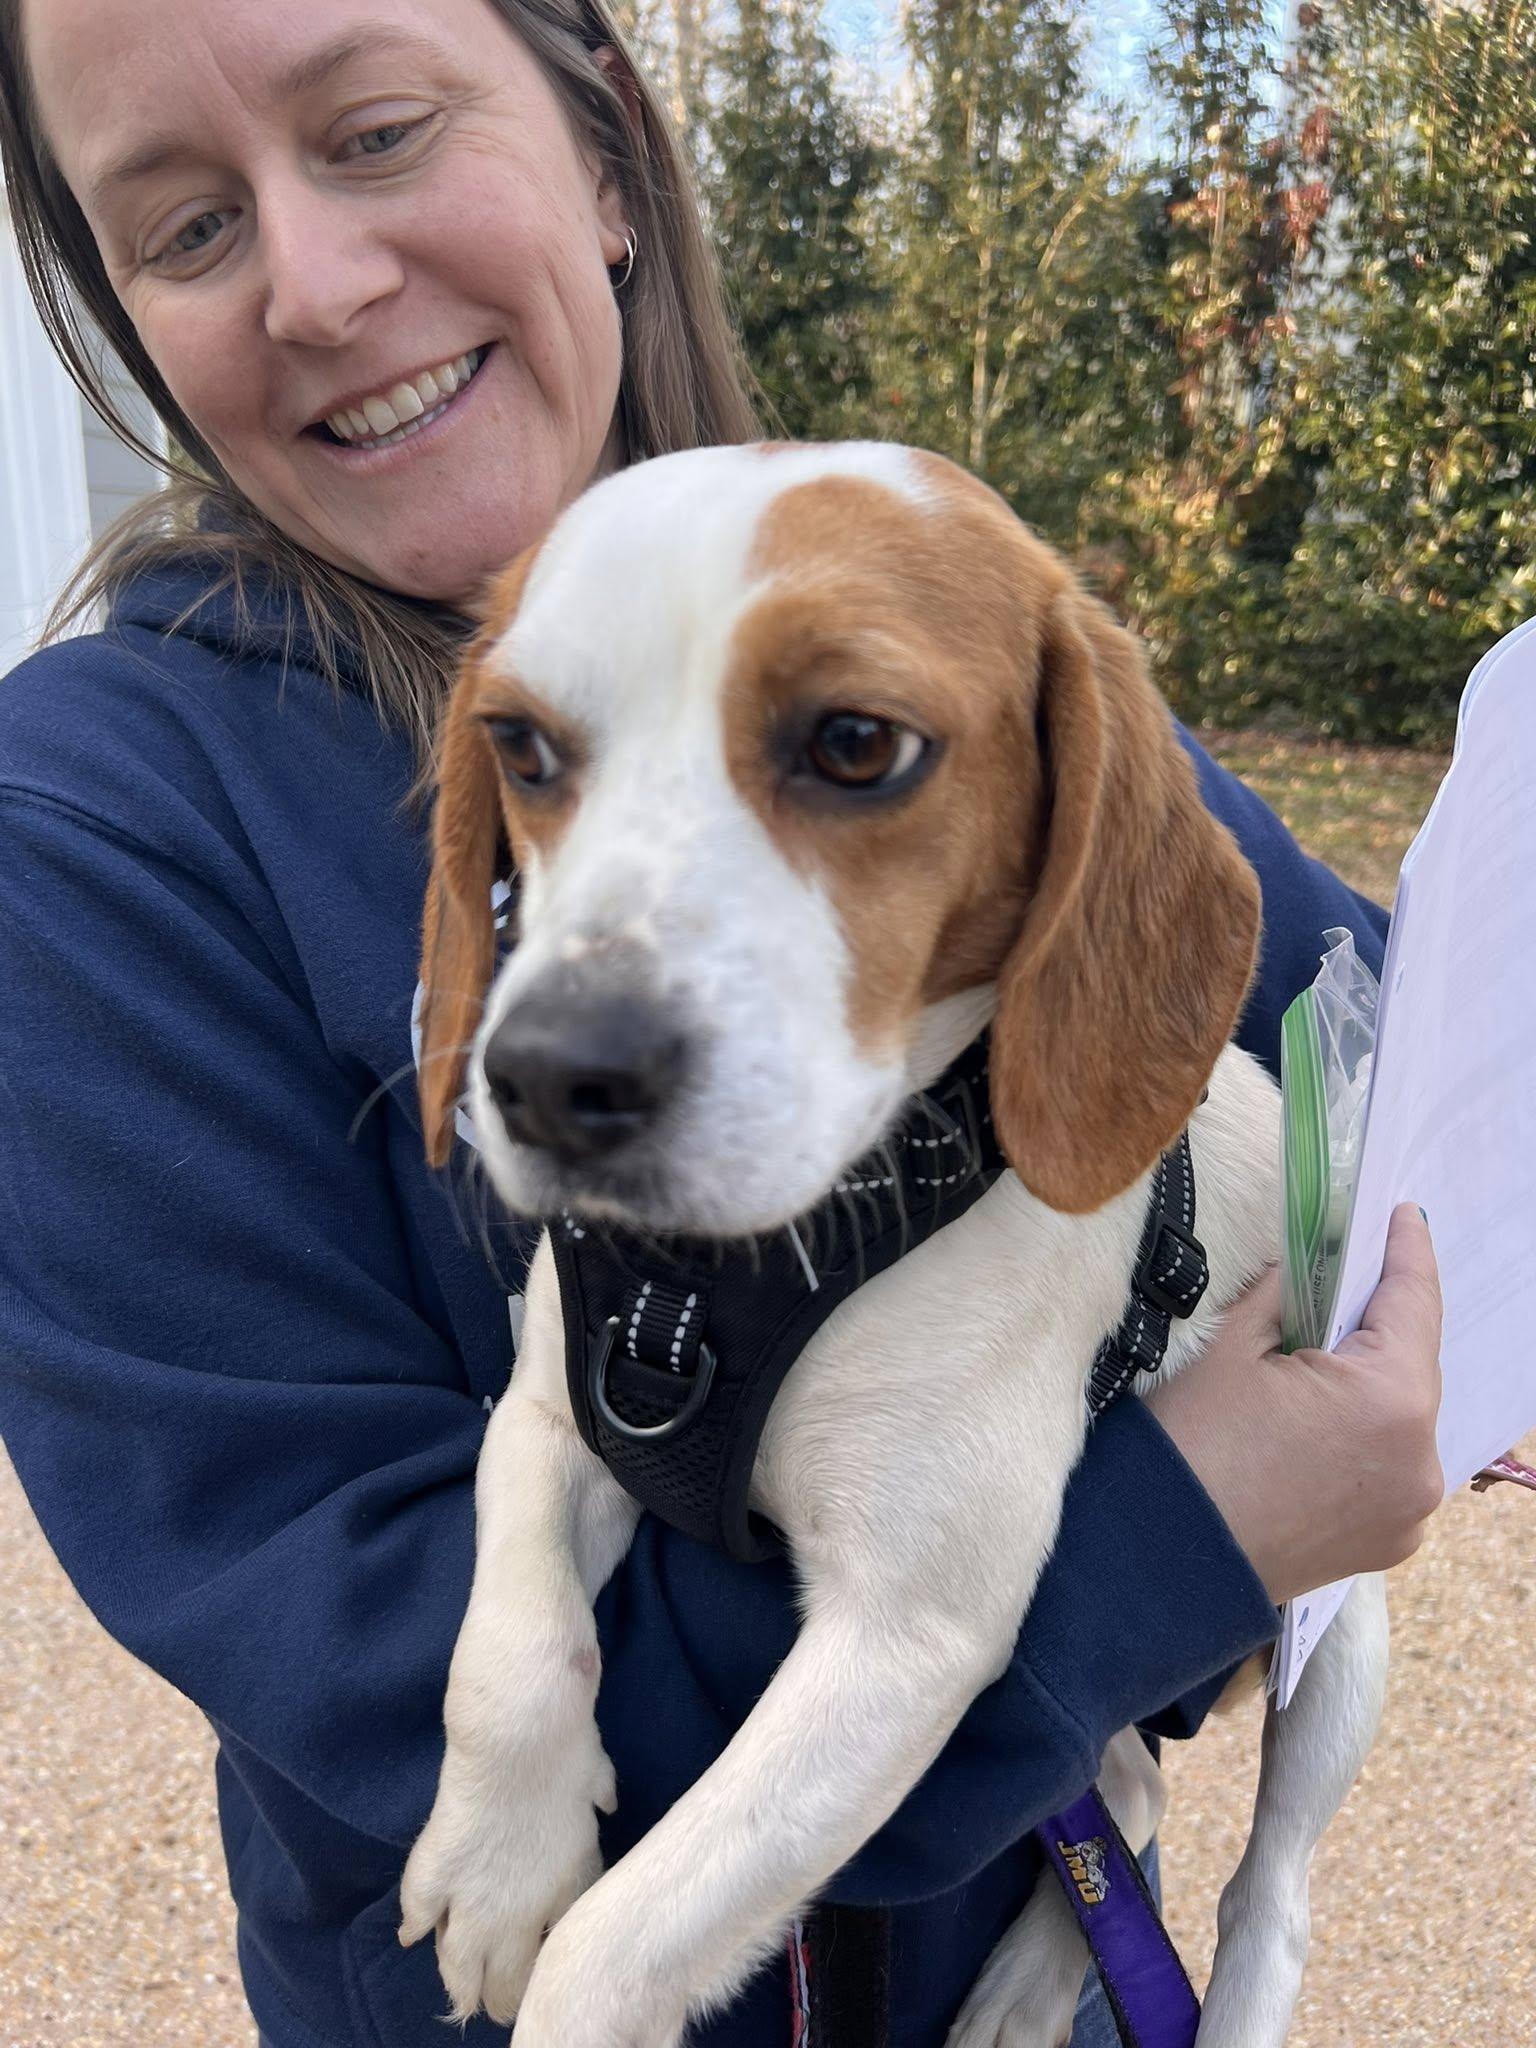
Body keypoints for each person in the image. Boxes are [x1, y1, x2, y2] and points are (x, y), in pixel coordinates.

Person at [0, 2, 1444, 2045]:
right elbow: (372, 1672)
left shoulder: (956, 611)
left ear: (611, 153)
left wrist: (1429, 1341)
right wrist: (1189, 1528)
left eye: (382, 130)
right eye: (184, 227)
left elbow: (1380, 1036)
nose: (318, 287)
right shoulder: (81, 829)